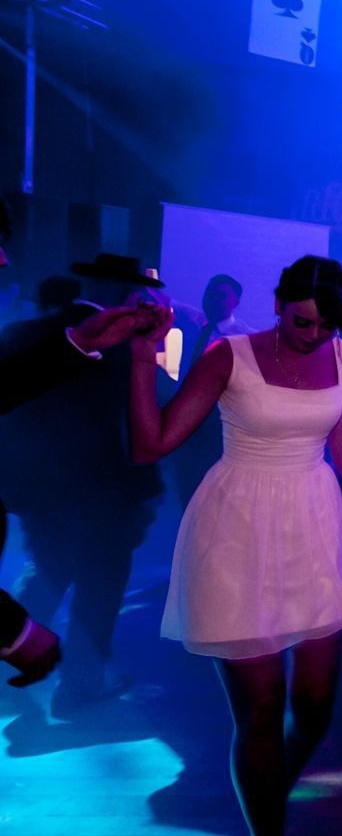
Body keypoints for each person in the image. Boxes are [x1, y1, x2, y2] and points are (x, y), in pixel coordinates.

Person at [128, 255, 342, 836]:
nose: (313, 334)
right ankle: (267, 824)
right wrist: (141, 357)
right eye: (302, 321)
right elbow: (151, 444)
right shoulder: (229, 355)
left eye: (325, 324)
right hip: (235, 526)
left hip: (310, 524)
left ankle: (266, 786)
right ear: (278, 304)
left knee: (315, 706)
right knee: (260, 709)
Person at [0, 199, 161, 689]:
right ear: (126, 292)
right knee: (100, 585)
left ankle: (14, 659)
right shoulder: (123, 345)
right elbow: (136, 420)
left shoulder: (24, 331)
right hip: (105, 493)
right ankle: (81, 686)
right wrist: (146, 488)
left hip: (40, 489)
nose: (5, 260)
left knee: (48, 572)